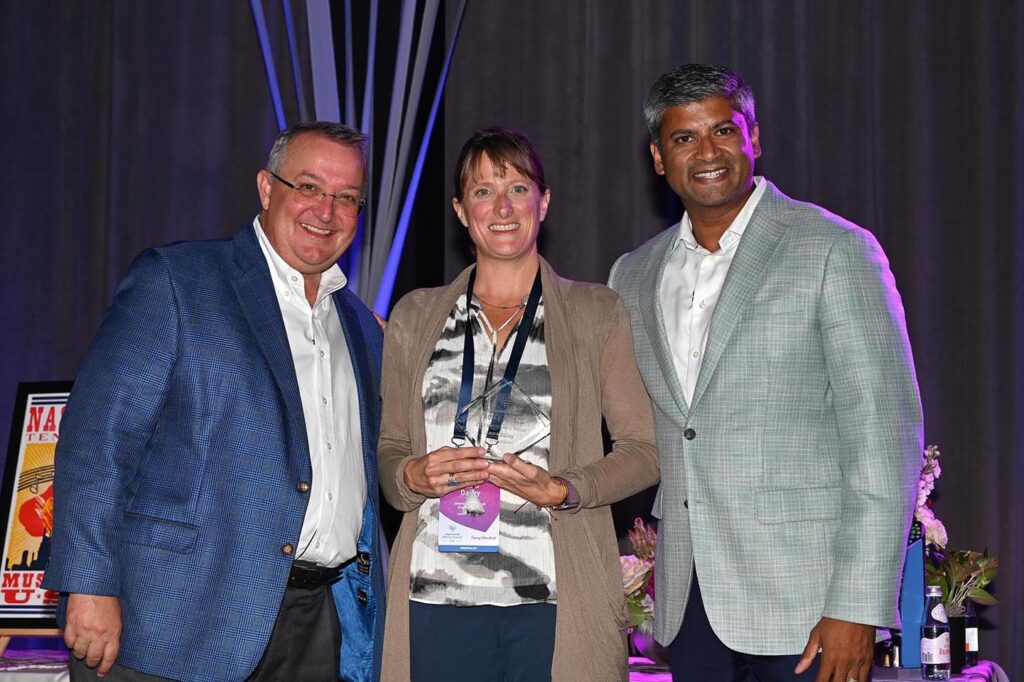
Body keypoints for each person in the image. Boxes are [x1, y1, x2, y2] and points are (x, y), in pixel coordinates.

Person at [608, 64, 923, 682]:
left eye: (723, 130)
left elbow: (886, 438)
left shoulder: (835, 248)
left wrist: (857, 606)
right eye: (683, 138)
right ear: (657, 157)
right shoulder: (633, 275)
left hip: (811, 608)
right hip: (691, 605)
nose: (706, 152)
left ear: (755, 138)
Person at [43, 121, 386, 682]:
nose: (326, 210)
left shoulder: (361, 328)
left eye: (346, 197)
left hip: (314, 626)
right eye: (308, 187)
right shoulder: (179, 281)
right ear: (266, 188)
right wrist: (89, 583)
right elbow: (98, 440)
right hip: (172, 624)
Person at [377, 127, 659, 681]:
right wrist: (412, 473)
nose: (501, 207)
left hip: (553, 601)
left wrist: (565, 488)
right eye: (482, 191)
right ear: (461, 211)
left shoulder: (594, 312)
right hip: (435, 598)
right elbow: (388, 454)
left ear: (544, 202)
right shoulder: (415, 317)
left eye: (518, 188)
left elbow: (645, 452)